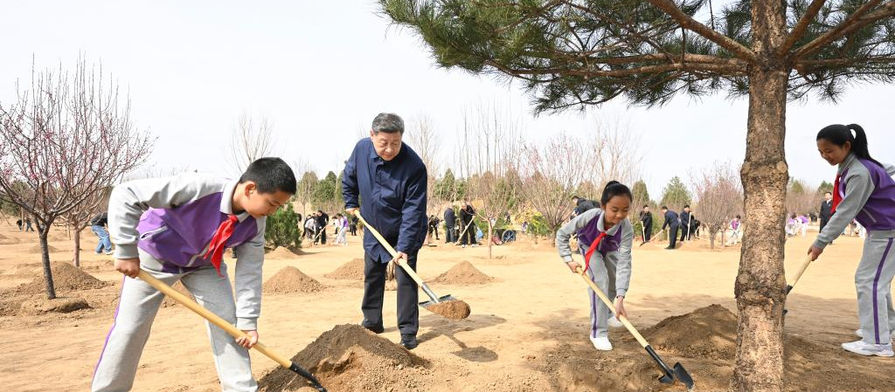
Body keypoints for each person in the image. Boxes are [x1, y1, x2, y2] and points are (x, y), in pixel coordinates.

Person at [92, 157, 296, 392]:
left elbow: (249, 272)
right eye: (272, 204)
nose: (273, 212)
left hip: (204, 265)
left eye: (279, 207)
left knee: (230, 325)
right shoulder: (200, 187)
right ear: (250, 188)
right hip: (154, 257)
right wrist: (126, 250)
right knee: (130, 328)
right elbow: (125, 193)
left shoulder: (255, 224)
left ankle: (241, 389)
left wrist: (248, 322)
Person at [808, 124, 895, 357]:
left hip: (888, 231)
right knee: (875, 280)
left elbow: (845, 211)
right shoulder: (853, 166)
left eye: (829, 151)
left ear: (847, 146)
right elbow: (888, 168)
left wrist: (820, 242)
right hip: (879, 231)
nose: (825, 156)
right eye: (821, 152)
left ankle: (877, 342)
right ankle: (886, 328)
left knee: (870, 281)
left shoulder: (859, 171)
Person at [342, 113, 427, 350]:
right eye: (383, 143)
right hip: (373, 227)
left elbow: (413, 209)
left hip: (405, 228)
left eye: (395, 143)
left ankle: (408, 332)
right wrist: (350, 201)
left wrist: (405, 247)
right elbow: (348, 177)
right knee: (372, 274)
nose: (389, 149)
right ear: (372, 136)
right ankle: (372, 321)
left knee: (406, 279)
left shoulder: (414, 166)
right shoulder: (360, 150)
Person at [556, 181, 634, 351]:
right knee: (600, 280)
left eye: (625, 210)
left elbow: (624, 262)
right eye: (614, 210)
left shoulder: (626, 228)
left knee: (613, 282)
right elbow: (562, 233)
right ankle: (598, 333)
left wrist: (620, 298)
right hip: (589, 247)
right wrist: (568, 259)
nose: (620, 215)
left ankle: (607, 313)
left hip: (610, 249)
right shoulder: (589, 216)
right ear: (604, 206)